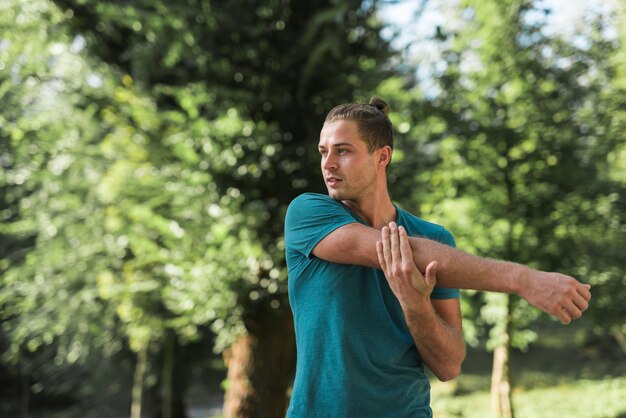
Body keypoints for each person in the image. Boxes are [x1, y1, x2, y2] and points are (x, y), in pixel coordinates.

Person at [283, 97, 591, 417]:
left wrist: (416, 306)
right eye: (324, 151)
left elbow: (448, 365)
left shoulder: (436, 238)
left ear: (382, 156)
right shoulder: (308, 213)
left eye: (343, 150)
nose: (328, 163)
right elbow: (399, 249)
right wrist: (523, 280)